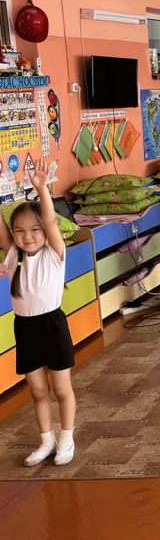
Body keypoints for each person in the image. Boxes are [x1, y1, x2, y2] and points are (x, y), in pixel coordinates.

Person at [0, 165, 76, 467]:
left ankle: (67, 438)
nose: (27, 236)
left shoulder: (55, 253)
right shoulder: (12, 255)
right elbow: (3, 230)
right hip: (25, 328)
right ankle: (46, 440)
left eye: (34, 230)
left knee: (61, 389)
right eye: (19, 231)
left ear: (45, 231)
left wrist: (42, 189)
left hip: (52, 325)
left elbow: (50, 220)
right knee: (38, 390)